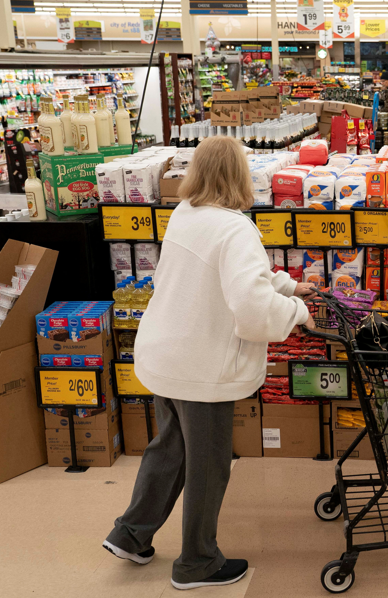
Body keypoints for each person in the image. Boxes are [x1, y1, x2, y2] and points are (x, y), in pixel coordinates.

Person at [102, 136, 316, 591]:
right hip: (201, 368)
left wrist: (287, 286)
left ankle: (130, 534)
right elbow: (251, 305)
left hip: (166, 354)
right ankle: (197, 563)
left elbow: (231, 274)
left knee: (170, 449)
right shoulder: (236, 229)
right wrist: (298, 312)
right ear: (239, 176)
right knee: (208, 464)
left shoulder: (186, 213)